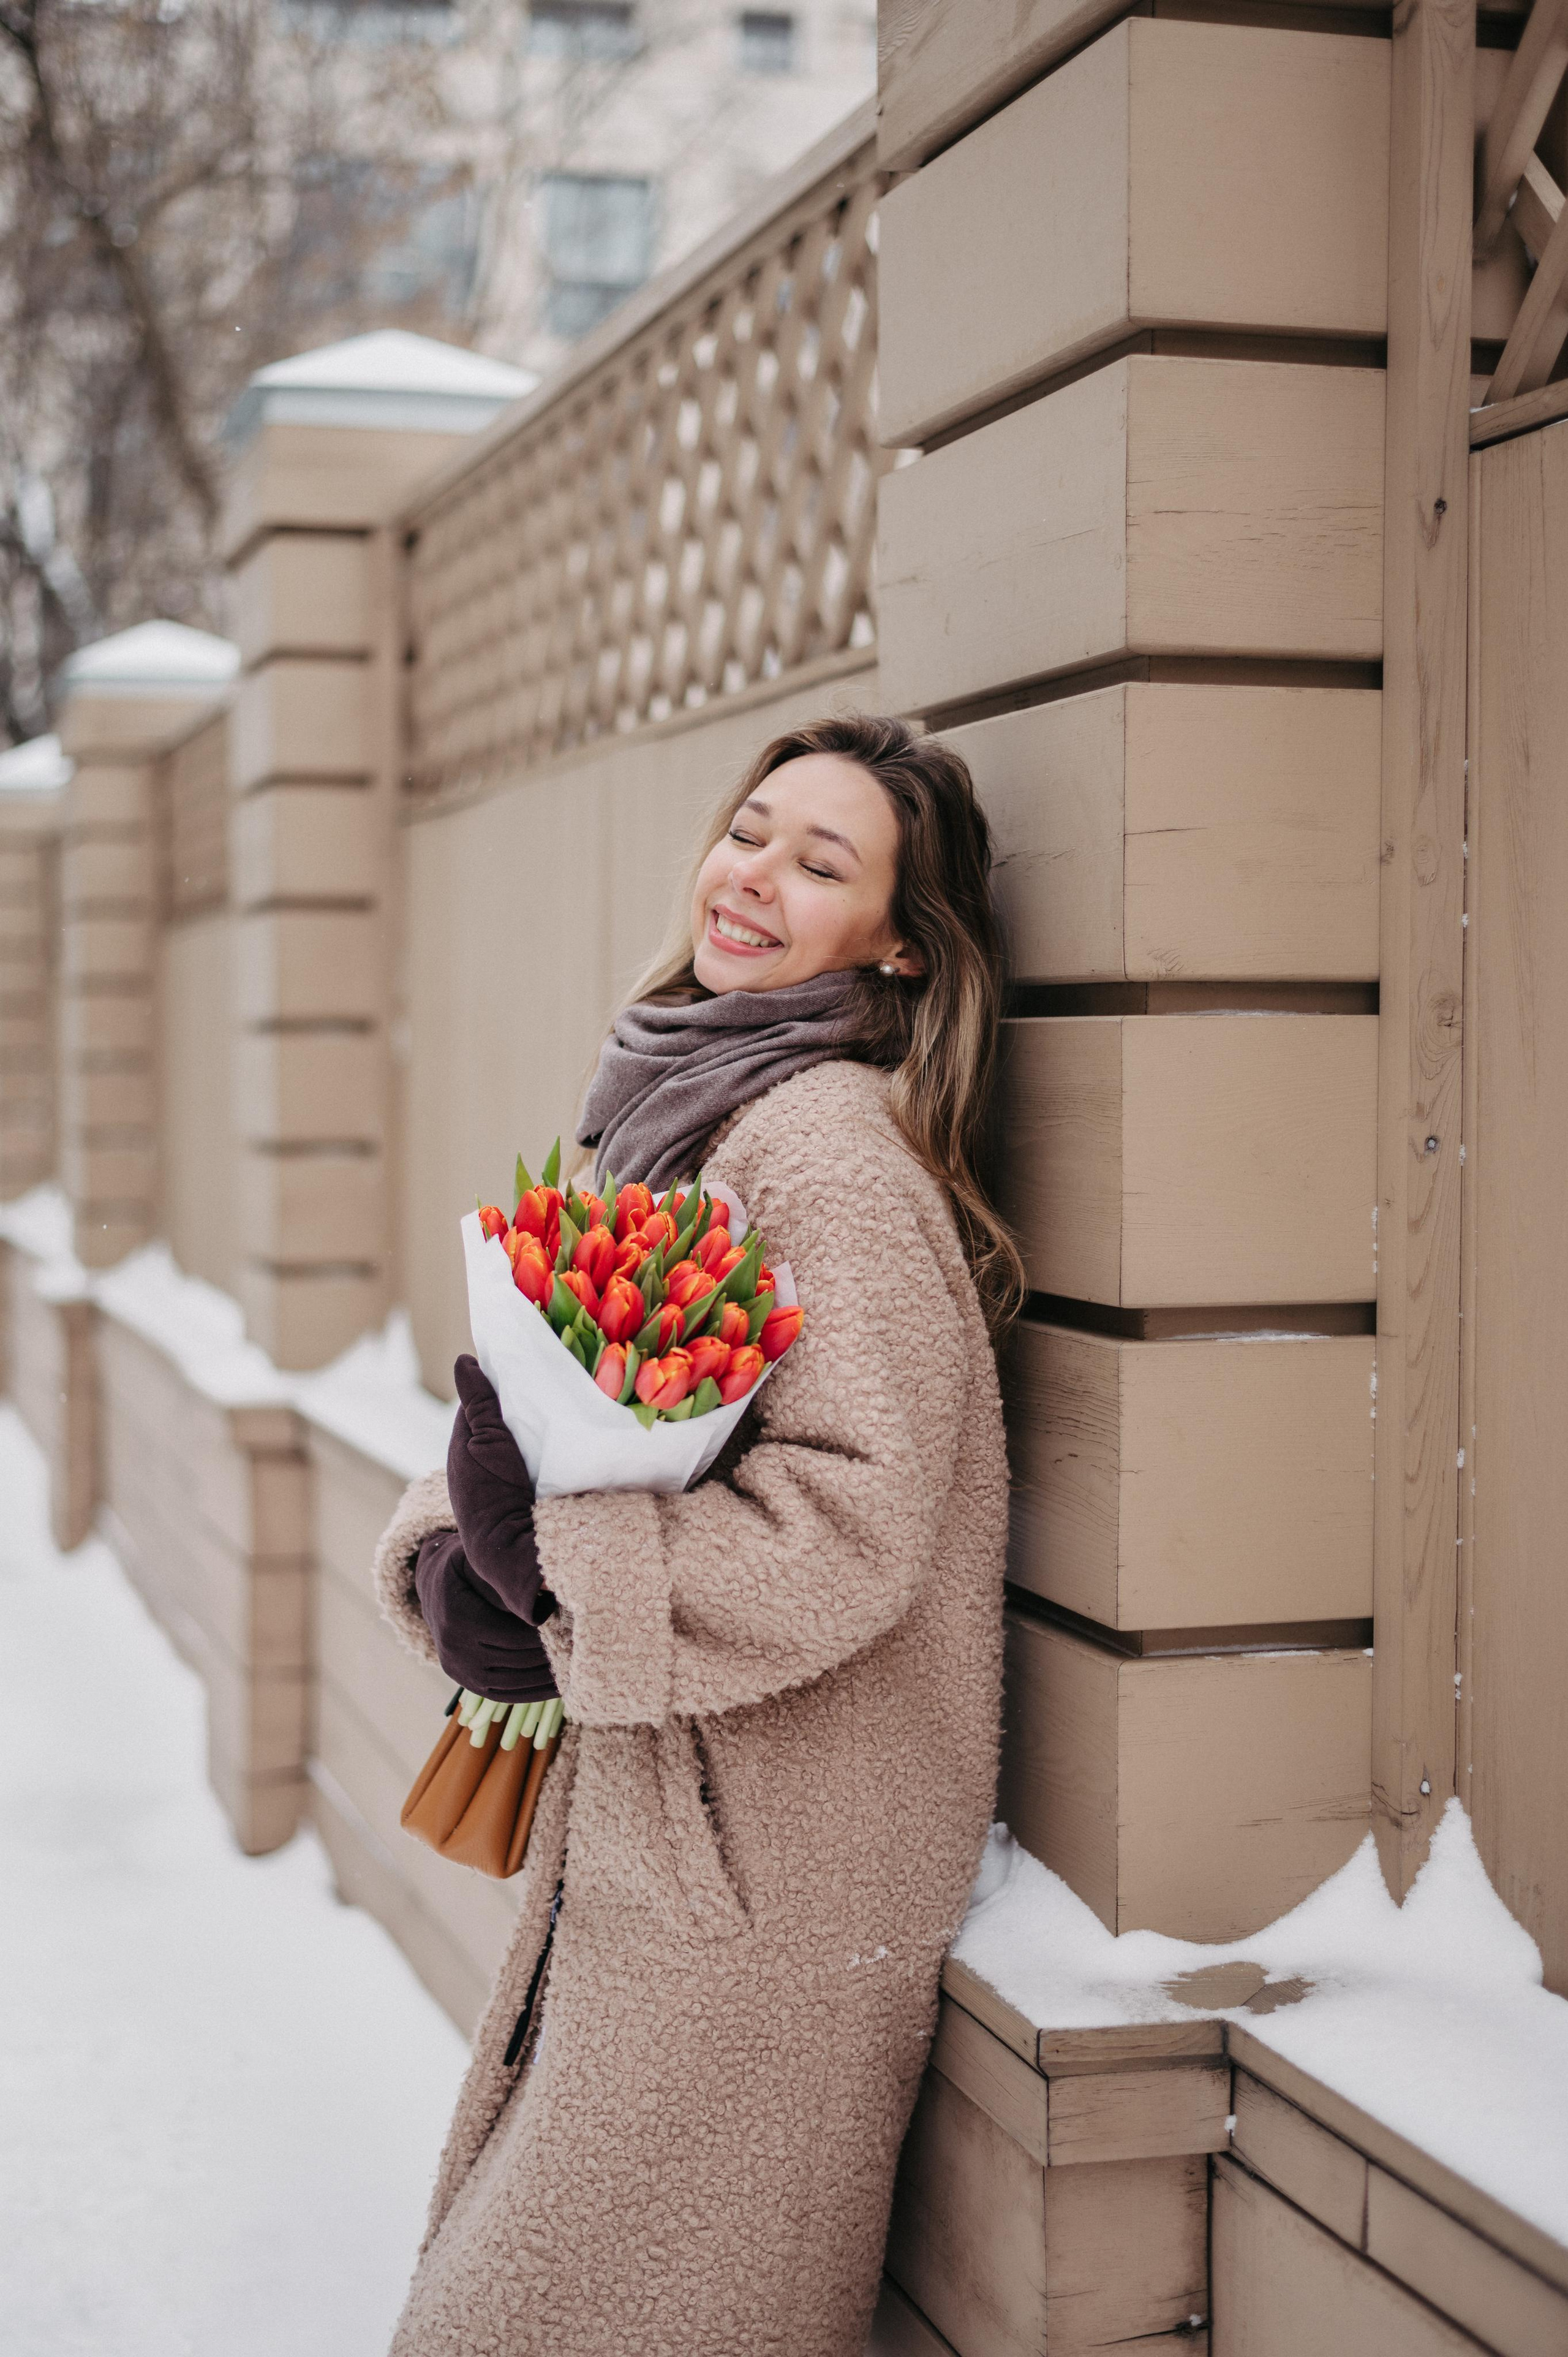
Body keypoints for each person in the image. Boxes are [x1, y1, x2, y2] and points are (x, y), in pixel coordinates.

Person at [371, 712, 1021, 2357]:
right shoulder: (675, 1100)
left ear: (896, 940)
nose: (756, 878)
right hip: (669, 1828)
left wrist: (566, 1584)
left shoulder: (824, 1153)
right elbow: (522, 1409)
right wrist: (460, 1564)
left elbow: (852, 1520)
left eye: (822, 864)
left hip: (769, 1869)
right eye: (751, 832)